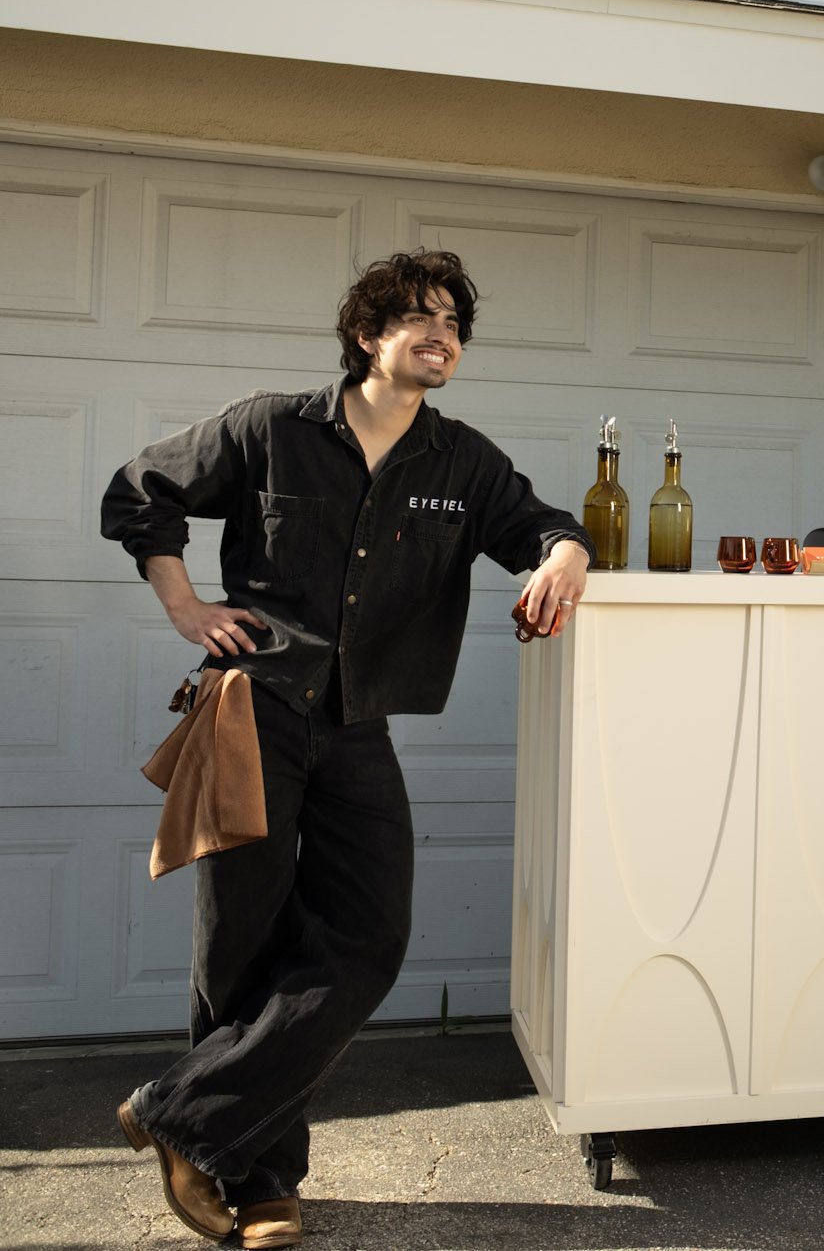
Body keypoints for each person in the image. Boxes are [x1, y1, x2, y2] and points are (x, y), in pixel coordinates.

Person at [101, 249, 591, 1247]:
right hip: (253, 706)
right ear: (367, 335)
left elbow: (538, 524)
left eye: (453, 319)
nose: (439, 331)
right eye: (417, 315)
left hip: (359, 725)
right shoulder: (270, 428)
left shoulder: (462, 463)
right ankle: (263, 1183)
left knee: (368, 934)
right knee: (242, 942)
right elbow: (139, 491)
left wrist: (566, 555)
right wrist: (185, 604)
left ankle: (180, 1116)